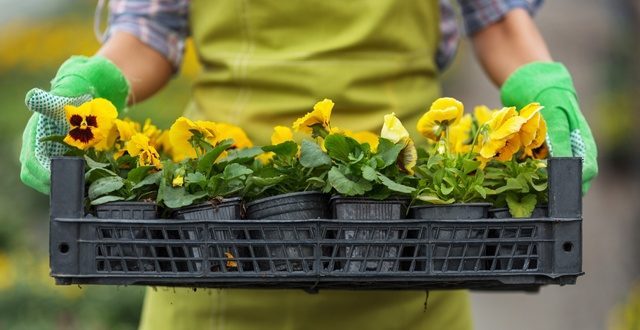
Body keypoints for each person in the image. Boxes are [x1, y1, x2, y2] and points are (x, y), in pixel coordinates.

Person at [19, 0, 598, 329]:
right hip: (216, 251)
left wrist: (545, 93)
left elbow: (496, 18)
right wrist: (87, 91)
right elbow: (150, 30)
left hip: (413, 254)